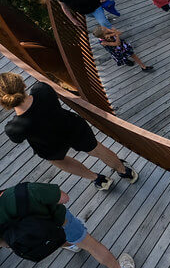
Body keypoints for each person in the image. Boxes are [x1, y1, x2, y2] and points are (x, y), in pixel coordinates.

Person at [0, 73, 139, 191]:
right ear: (22, 85)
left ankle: (99, 180)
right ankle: (125, 172)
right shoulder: (41, 89)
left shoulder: (13, 128)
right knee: (97, 149)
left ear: (4, 102)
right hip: (71, 127)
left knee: (59, 161)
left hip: (50, 145)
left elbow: (17, 139)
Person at [0, 181, 135, 268]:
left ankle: (72, 245)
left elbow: (4, 244)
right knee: (92, 246)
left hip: (38, 240)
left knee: (50, 237)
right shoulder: (23, 192)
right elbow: (64, 198)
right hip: (62, 223)